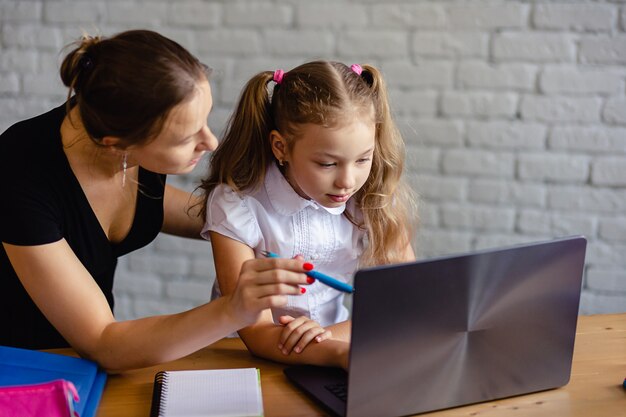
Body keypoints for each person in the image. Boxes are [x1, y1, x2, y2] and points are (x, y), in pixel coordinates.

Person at [0, 29, 313, 372]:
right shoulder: (19, 172)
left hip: (80, 366)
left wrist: (264, 220)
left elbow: (156, 208)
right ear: (116, 144)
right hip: (23, 365)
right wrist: (232, 309)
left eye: (205, 122)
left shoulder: (129, 131)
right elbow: (103, 341)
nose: (210, 142)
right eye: (185, 138)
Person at [198, 61, 417, 368]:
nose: (347, 181)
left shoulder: (372, 198)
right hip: (245, 363)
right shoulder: (236, 205)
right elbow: (256, 332)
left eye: (362, 159)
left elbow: (406, 303)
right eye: (327, 164)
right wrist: (336, 350)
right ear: (280, 147)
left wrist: (325, 338)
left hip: (336, 347)